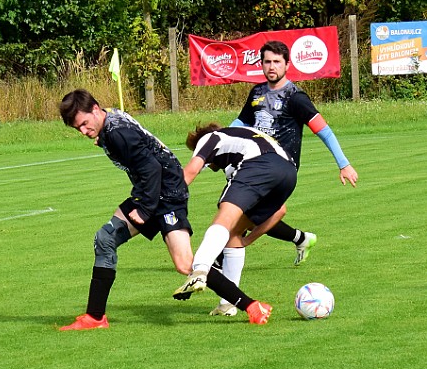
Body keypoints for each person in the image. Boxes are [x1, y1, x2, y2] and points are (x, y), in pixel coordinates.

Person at [58, 89, 272, 330]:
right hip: (154, 191)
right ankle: (95, 317)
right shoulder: (112, 122)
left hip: (165, 196)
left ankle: (252, 305)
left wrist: (146, 209)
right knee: (105, 239)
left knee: (186, 264)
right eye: (78, 129)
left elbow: (151, 168)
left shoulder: (117, 133)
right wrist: (103, 138)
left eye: (85, 124)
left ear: (96, 109)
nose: (84, 132)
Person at [211, 40, 358, 316]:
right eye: (266, 62)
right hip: (252, 167)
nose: (271, 67)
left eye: (276, 62)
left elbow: (324, 131)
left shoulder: (295, 97)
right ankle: (296, 240)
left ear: (287, 65)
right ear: (261, 64)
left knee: (232, 227)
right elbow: (240, 124)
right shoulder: (256, 93)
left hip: (277, 173)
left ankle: (228, 293)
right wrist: (218, 141)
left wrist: (344, 164)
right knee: (233, 229)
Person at [173, 122, 298, 308]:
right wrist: (248, 240)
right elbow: (281, 211)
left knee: (224, 218)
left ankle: (199, 271)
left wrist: (163, 198)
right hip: (289, 172)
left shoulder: (211, 137)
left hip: (259, 164)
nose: (210, 166)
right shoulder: (243, 143)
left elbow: (190, 172)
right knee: (233, 234)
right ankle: (227, 305)